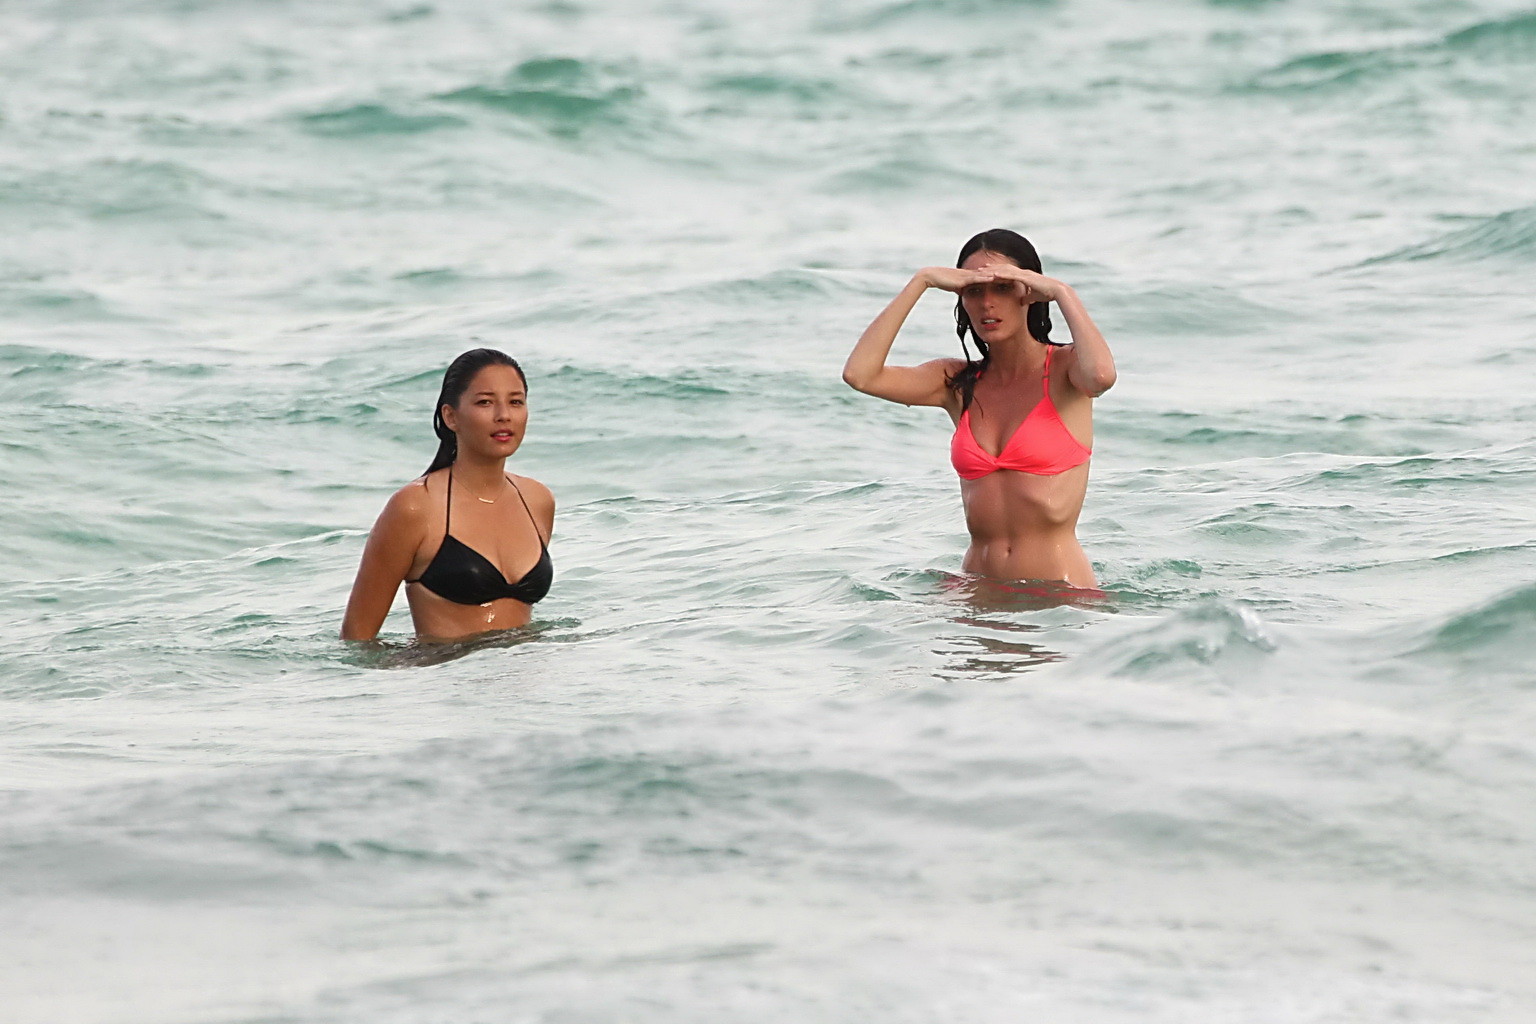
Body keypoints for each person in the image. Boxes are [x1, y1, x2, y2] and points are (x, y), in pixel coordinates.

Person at [841, 228, 1116, 588]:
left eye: (1003, 287)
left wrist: (1062, 292)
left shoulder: (1067, 370)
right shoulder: (956, 382)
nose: (987, 303)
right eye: (974, 290)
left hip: (1058, 597)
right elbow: (860, 375)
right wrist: (921, 282)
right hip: (975, 593)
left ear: (1030, 292)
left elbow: (1102, 375)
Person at [341, 348, 555, 642]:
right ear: (451, 417)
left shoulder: (536, 500)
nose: (504, 415)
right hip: (448, 681)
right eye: (485, 402)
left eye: (515, 402)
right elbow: (357, 639)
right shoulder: (415, 508)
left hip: (530, 681)